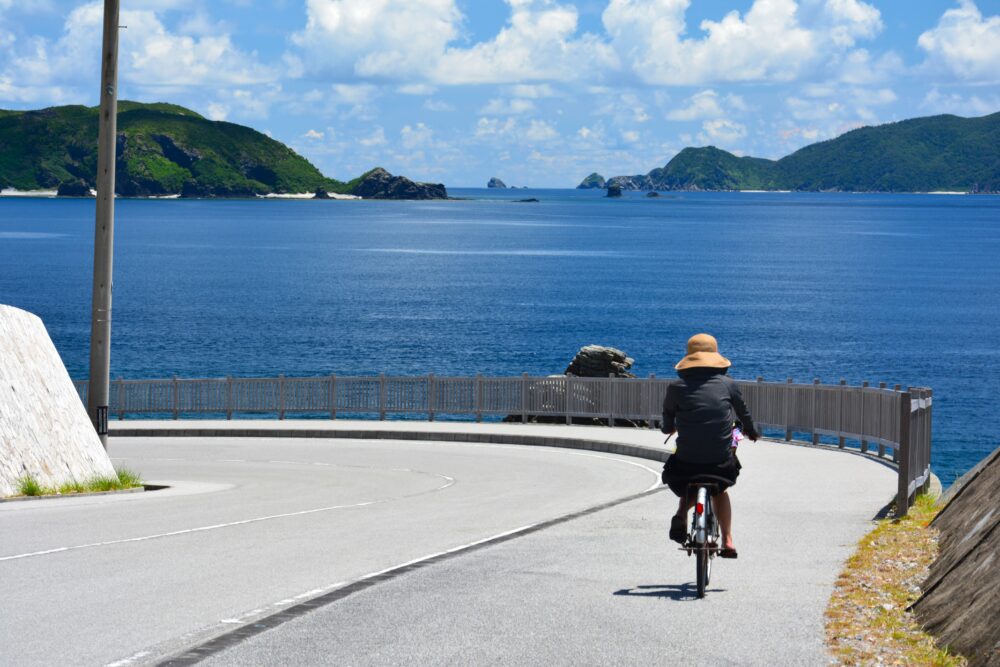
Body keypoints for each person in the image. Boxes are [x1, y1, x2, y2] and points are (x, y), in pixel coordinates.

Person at [661, 333, 759, 559]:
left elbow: (667, 418)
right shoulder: (728, 385)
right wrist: (752, 432)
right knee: (720, 489)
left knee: (687, 479)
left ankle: (681, 515)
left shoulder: (676, 388)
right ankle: (728, 540)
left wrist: (668, 429)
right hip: (719, 460)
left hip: (687, 459)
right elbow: (744, 414)